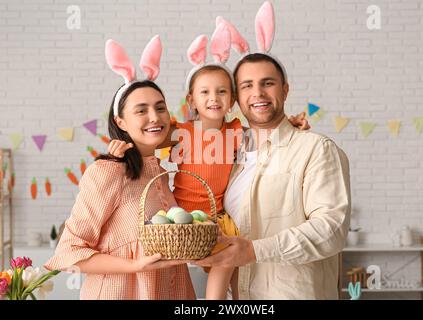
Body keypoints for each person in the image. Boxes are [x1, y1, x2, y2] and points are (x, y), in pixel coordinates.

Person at [108, 23, 310, 300]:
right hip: (184, 216)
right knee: (193, 267)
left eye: (222, 92)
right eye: (204, 92)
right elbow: (146, 139)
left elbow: (268, 132)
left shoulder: (237, 131)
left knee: (232, 266)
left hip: (216, 218)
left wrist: (292, 122)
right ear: (192, 99)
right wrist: (121, 147)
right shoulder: (182, 132)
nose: (213, 98)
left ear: (233, 100)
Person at [193, 2, 351, 300]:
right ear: (236, 98)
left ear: (285, 90)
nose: (258, 94)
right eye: (247, 86)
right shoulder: (231, 155)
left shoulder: (315, 149)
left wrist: (254, 251)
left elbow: (331, 230)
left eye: (268, 83)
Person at [44, 36, 196, 300]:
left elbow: (215, 132)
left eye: (160, 108)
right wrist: (135, 265)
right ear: (121, 122)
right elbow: (69, 252)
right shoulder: (109, 171)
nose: (154, 117)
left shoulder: (160, 170)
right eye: (141, 110)